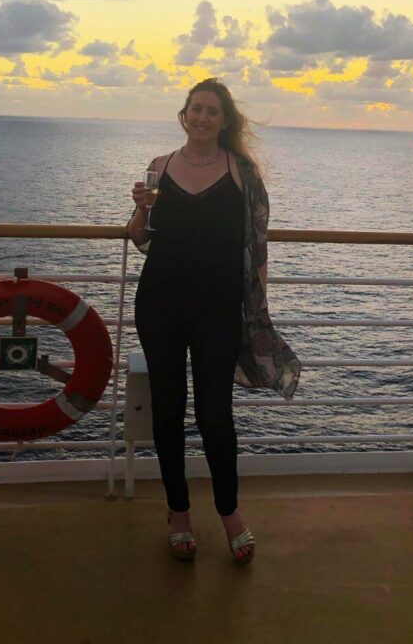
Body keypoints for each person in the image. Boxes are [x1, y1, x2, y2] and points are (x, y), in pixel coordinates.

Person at [127, 78, 301, 564]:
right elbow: (139, 238)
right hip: (160, 301)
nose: (203, 117)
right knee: (167, 408)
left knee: (214, 414)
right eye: (196, 109)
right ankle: (178, 512)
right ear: (184, 114)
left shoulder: (242, 172)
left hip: (219, 309)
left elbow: (258, 245)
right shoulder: (159, 167)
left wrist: (258, 306)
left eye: (212, 112)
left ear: (225, 121)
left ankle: (229, 512)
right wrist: (140, 210)